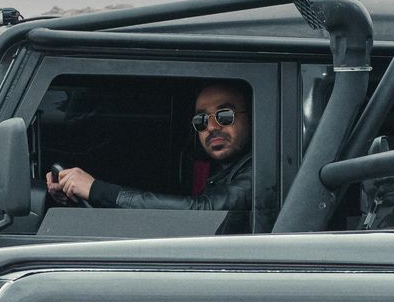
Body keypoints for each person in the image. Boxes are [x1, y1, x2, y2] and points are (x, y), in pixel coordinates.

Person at [47, 81, 257, 217]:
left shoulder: (261, 170)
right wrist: (72, 186)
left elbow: (204, 211)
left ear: (253, 117)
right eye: (201, 120)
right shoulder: (222, 170)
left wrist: (95, 189)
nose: (211, 127)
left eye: (225, 116)